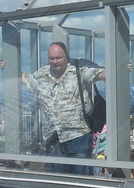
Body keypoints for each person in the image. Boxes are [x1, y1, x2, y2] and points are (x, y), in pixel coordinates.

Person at [23, 41, 106, 174]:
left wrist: (120, 66)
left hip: (79, 135)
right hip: (53, 138)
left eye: (59, 58)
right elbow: (26, 79)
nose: (55, 61)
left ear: (66, 56)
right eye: (52, 58)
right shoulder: (43, 74)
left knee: (81, 178)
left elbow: (102, 74)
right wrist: (8, 67)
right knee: (57, 179)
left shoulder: (79, 68)